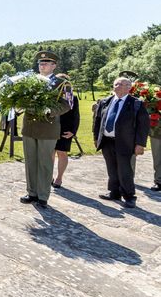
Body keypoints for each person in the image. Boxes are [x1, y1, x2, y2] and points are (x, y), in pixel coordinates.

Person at [19, 51, 72, 209]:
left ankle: (43, 195)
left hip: (48, 128)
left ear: (54, 65)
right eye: (40, 63)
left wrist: (50, 110)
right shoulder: (28, 80)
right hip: (29, 126)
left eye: (46, 63)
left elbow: (68, 104)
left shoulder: (62, 83)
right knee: (30, 161)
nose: (42, 65)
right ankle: (32, 192)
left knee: (45, 163)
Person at [93, 77, 149, 208]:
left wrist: (140, 144)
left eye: (122, 84)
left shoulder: (136, 104)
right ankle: (114, 192)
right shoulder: (105, 101)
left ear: (129, 87)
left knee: (125, 170)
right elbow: (97, 121)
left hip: (125, 142)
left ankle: (129, 196)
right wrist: (96, 138)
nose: (118, 86)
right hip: (107, 141)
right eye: (116, 84)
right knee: (111, 169)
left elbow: (143, 126)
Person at [51, 74, 80, 188]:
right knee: (50, 153)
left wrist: (73, 131)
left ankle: (59, 178)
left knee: (62, 153)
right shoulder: (51, 96)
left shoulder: (72, 98)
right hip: (50, 128)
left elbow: (76, 116)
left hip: (65, 130)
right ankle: (49, 176)